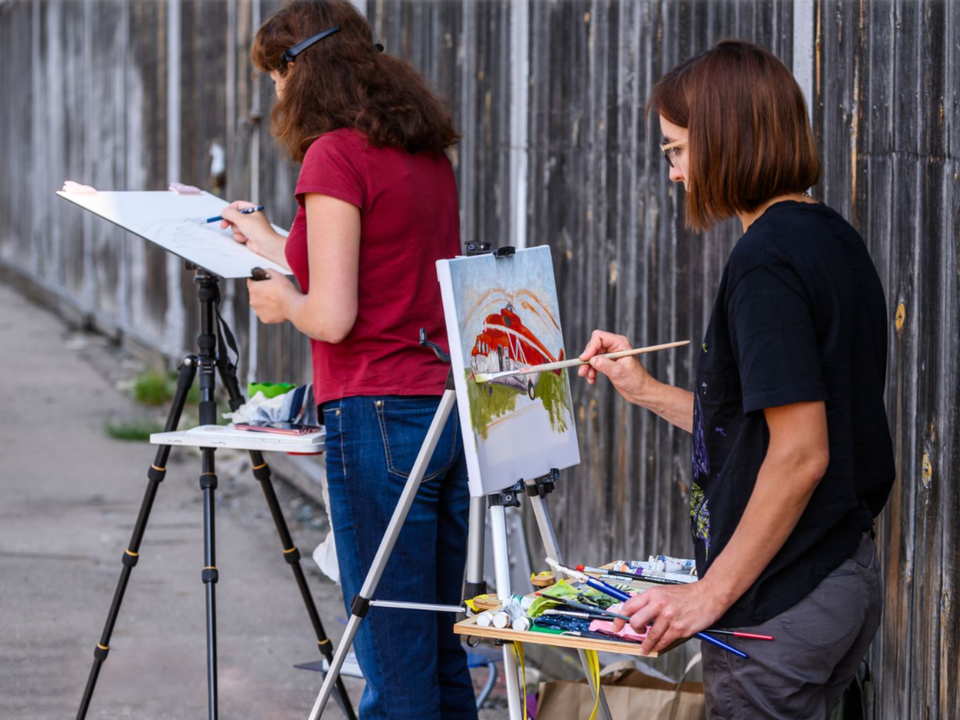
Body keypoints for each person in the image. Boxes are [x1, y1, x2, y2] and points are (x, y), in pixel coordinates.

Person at [579, 40, 895, 719]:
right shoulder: (829, 237)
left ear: (723, 141)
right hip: (835, 576)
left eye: (676, 149)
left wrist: (709, 594)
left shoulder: (765, 264)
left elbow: (802, 453)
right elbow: (767, 428)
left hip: (784, 598)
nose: (672, 172)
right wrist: (643, 389)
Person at [218, 2, 477, 718]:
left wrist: (281, 304)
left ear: (302, 69)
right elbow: (376, 266)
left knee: (393, 666)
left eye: (275, 75)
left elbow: (331, 314)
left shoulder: (332, 153)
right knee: (438, 650)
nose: (273, 94)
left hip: (377, 415)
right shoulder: (421, 153)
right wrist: (270, 239)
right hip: (444, 414)